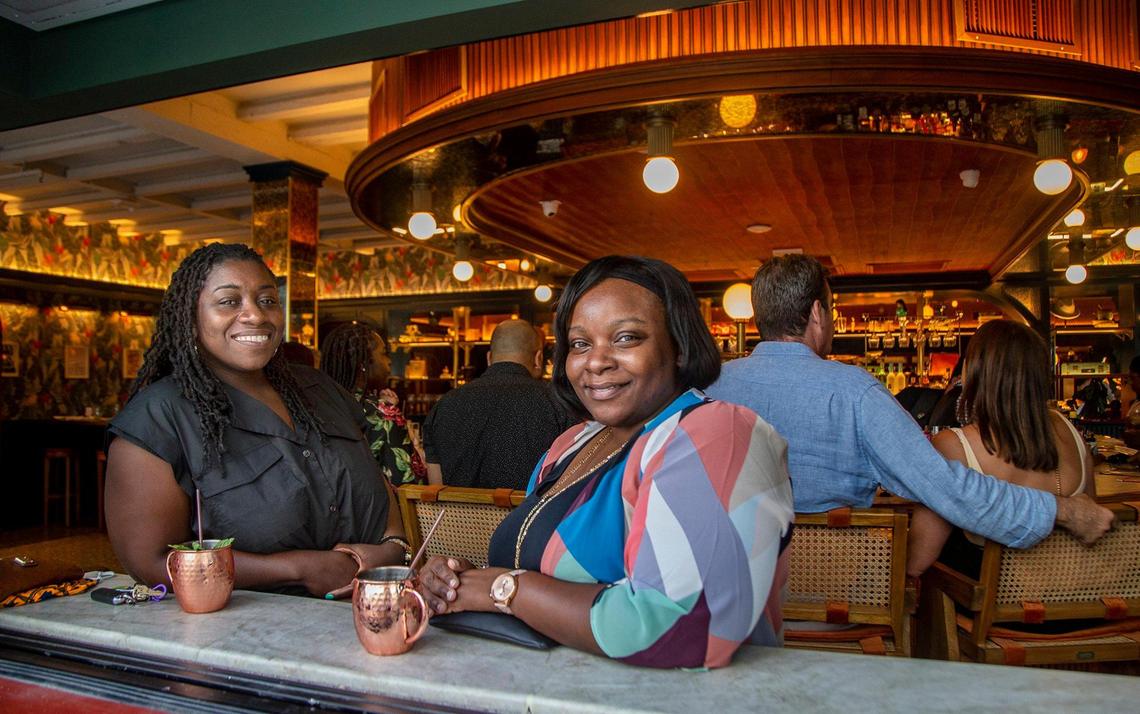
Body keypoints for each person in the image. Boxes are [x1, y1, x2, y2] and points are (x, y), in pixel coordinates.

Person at [418, 256, 794, 669]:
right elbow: (537, 582)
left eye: (626, 337)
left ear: (680, 347)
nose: (595, 361)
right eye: (580, 344)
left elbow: (682, 628)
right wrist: (461, 582)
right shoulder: (571, 443)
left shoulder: (717, 433)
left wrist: (502, 589)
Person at [705, 254, 1112, 551]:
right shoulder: (855, 391)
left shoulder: (710, 387)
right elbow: (947, 489)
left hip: (728, 598)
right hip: (836, 600)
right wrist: (1063, 510)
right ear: (817, 313)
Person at [104, 243, 409, 597]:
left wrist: (392, 547)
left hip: (375, 617)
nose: (256, 315)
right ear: (190, 315)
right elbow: (152, 563)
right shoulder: (159, 417)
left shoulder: (320, 390)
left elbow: (379, 489)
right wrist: (297, 569)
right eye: (229, 301)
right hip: (241, 637)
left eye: (267, 300)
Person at [907, 320, 1096, 576]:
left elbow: (919, 559)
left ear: (974, 371)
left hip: (984, 612)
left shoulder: (954, 445)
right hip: (1064, 603)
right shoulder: (1069, 431)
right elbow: (1091, 523)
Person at [422, 319, 573, 490]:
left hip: (460, 517)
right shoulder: (559, 404)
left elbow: (436, 491)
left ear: (489, 358)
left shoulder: (444, 406)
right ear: (538, 358)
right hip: (532, 516)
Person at [320, 322, 426, 487]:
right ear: (363, 364)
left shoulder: (315, 405)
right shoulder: (384, 415)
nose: (389, 361)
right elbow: (407, 484)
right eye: (383, 354)